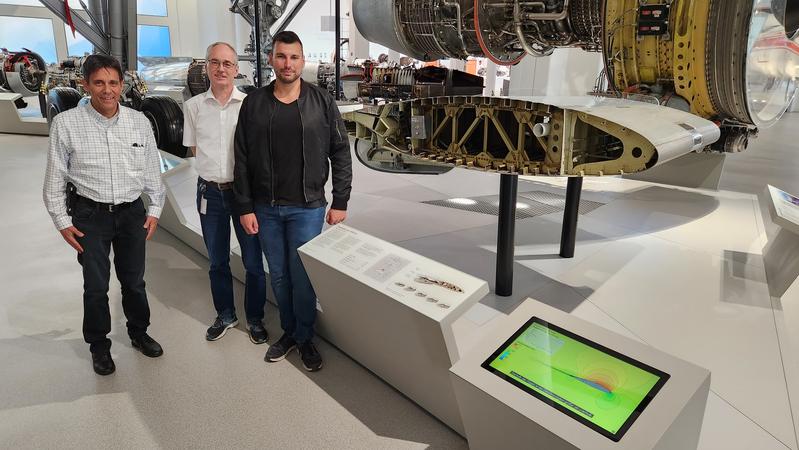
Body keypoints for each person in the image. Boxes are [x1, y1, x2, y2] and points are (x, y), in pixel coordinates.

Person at [234, 31, 352, 372]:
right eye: (282, 56)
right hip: (266, 208)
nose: (288, 64)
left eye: (294, 57)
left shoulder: (321, 101)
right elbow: (240, 157)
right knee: (281, 277)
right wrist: (244, 206)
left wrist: (340, 199)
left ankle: (304, 337)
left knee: (302, 277)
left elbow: (341, 151)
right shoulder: (254, 103)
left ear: (303, 61)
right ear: (271, 59)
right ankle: (289, 332)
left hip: (307, 207)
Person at [43, 54, 166, 376]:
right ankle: (99, 346)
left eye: (113, 83)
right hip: (89, 214)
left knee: (135, 282)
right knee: (96, 286)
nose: (107, 90)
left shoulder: (138, 122)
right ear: (85, 84)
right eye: (99, 83)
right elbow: (55, 178)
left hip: (131, 214)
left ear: (122, 86)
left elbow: (153, 171)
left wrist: (154, 209)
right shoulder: (66, 123)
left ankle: (139, 332)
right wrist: (62, 222)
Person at [182, 42, 268, 344]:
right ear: (206, 66)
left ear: (236, 69)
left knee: (254, 262)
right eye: (215, 62)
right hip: (210, 194)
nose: (221, 69)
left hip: (245, 196)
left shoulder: (250, 105)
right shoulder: (193, 107)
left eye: (227, 63)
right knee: (217, 260)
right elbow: (193, 147)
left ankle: (255, 318)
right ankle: (226, 314)